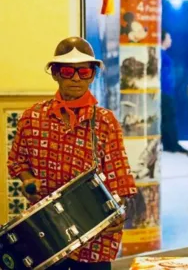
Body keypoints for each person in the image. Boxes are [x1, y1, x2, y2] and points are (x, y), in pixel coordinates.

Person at [7, 37, 138, 270]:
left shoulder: (106, 122)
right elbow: (17, 161)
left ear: (93, 74)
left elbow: (120, 179)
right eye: (68, 71)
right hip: (45, 234)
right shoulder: (32, 117)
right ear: (55, 73)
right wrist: (28, 180)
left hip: (94, 239)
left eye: (84, 71)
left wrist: (119, 213)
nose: (76, 78)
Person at [160, 30, 188, 155]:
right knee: (168, 118)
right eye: (169, 37)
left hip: (168, 90)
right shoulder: (160, 54)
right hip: (164, 91)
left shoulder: (163, 54)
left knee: (169, 117)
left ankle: (170, 144)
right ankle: (172, 144)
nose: (171, 40)